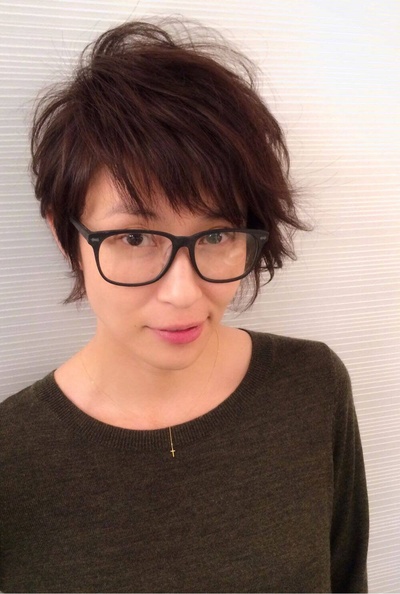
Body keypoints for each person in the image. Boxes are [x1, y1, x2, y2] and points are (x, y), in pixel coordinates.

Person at [0, 18, 368, 593]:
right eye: (135, 237)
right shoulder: (13, 458)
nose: (183, 293)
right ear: (65, 236)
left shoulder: (312, 387)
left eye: (217, 235)